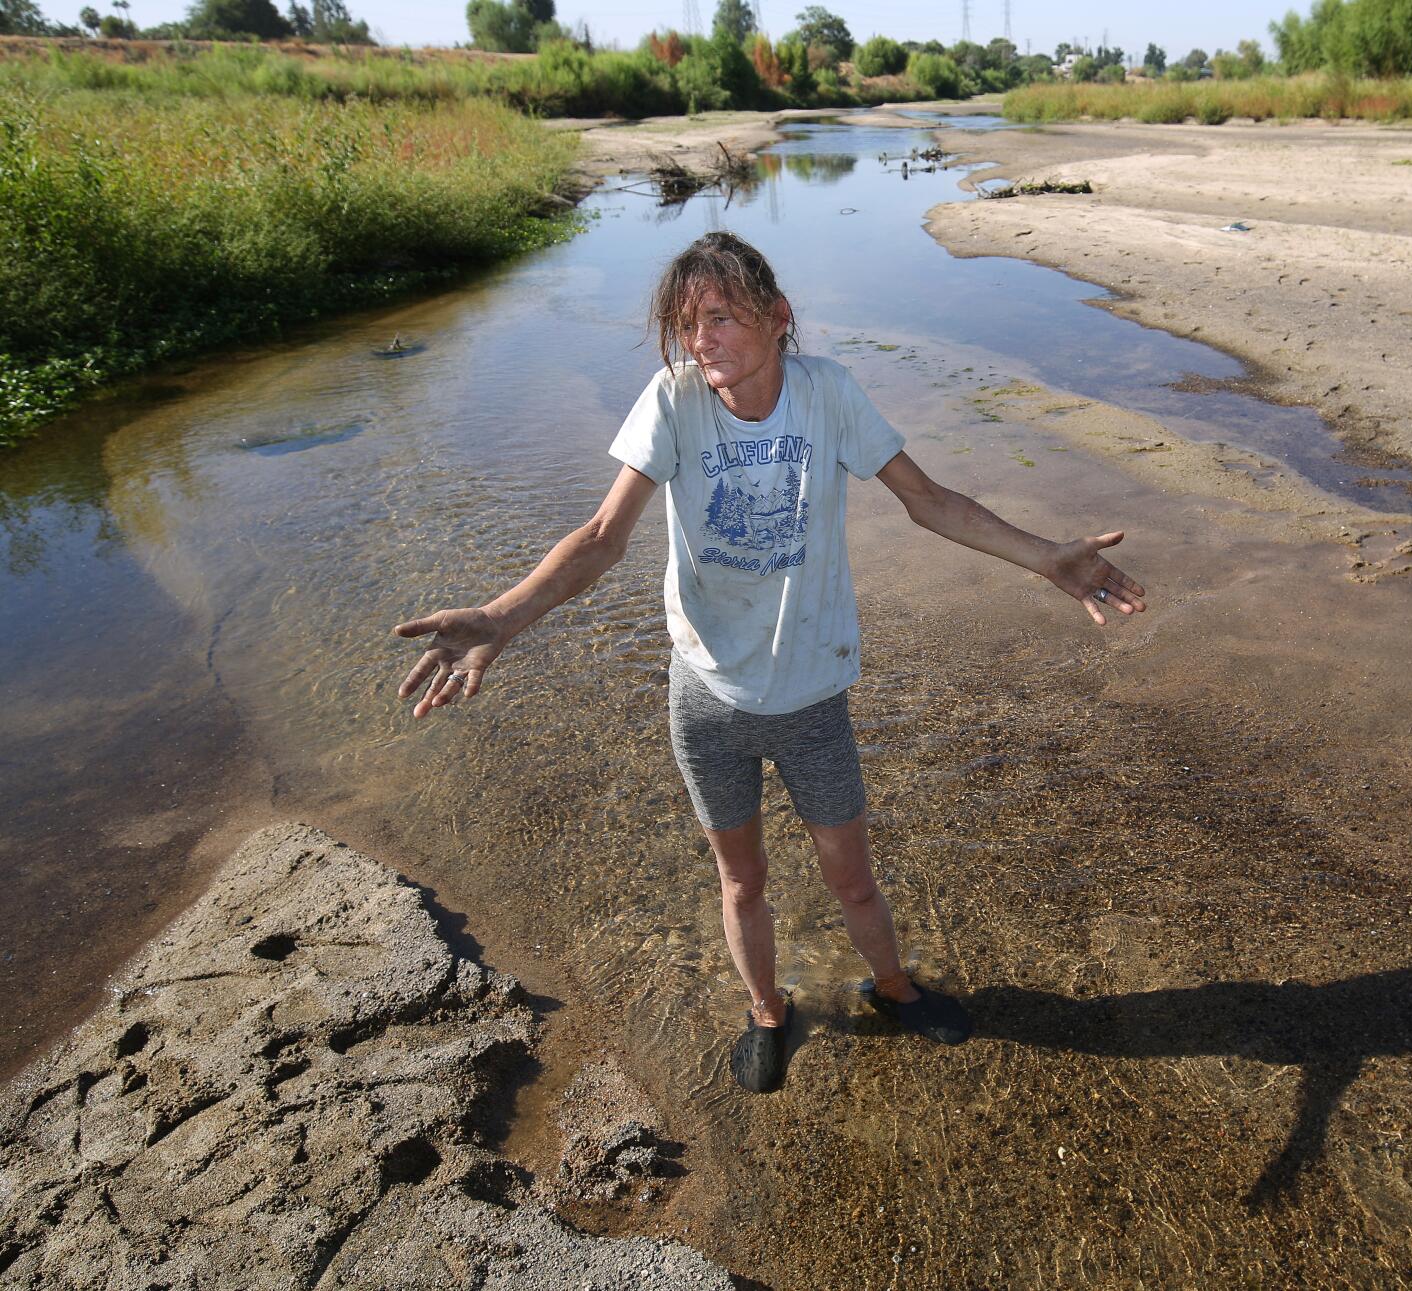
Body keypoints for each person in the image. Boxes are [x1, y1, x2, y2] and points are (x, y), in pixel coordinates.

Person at [393, 231, 1145, 1093]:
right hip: (706, 696)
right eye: (688, 324)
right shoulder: (673, 401)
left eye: (721, 317)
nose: (701, 340)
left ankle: (894, 987)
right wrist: (502, 616)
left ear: (777, 317)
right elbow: (604, 539)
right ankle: (766, 1011)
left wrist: (1047, 555)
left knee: (851, 878)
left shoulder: (829, 395)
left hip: (812, 695)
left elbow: (929, 501)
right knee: (741, 880)